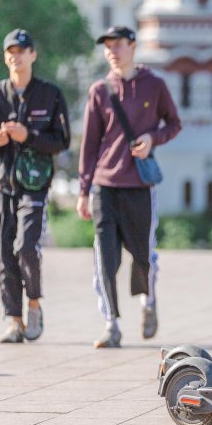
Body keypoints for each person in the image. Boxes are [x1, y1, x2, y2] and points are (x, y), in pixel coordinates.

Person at [77, 26, 181, 348]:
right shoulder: (100, 90)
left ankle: (148, 303)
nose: (112, 51)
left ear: (132, 46)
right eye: (107, 46)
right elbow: (90, 144)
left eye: (118, 45)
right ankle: (111, 324)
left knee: (143, 257)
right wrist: (83, 189)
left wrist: (153, 138)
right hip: (105, 188)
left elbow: (174, 124)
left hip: (140, 186)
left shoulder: (155, 86)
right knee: (104, 260)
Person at [0, 29, 70, 343]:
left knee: (26, 247)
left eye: (21, 50)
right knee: (5, 253)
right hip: (2, 184)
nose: (15, 56)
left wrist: (27, 136)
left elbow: (61, 141)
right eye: (10, 51)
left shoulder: (50, 95)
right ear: (5, 57)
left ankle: (34, 303)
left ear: (33, 55)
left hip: (35, 184)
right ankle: (14, 320)